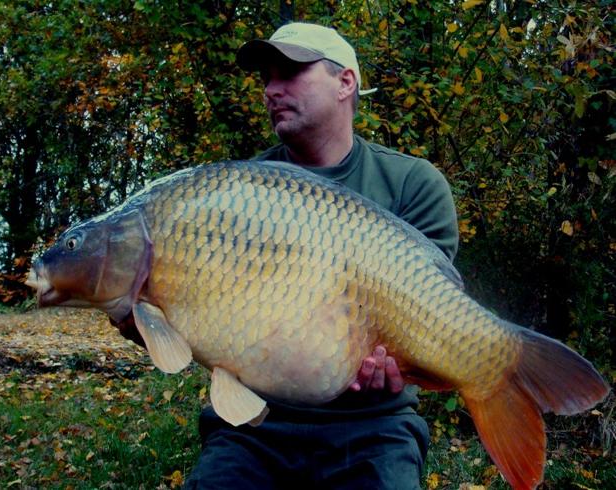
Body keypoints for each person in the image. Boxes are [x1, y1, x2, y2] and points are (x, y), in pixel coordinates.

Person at [183, 23, 459, 489]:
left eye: (290, 73)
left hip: (374, 426)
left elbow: (432, 317)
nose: (272, 89)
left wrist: (403, 361)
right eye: (267, 78)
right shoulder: (237, 194)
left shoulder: (413, 183)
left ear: (345, 82)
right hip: (256, 424)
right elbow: (209, 320)